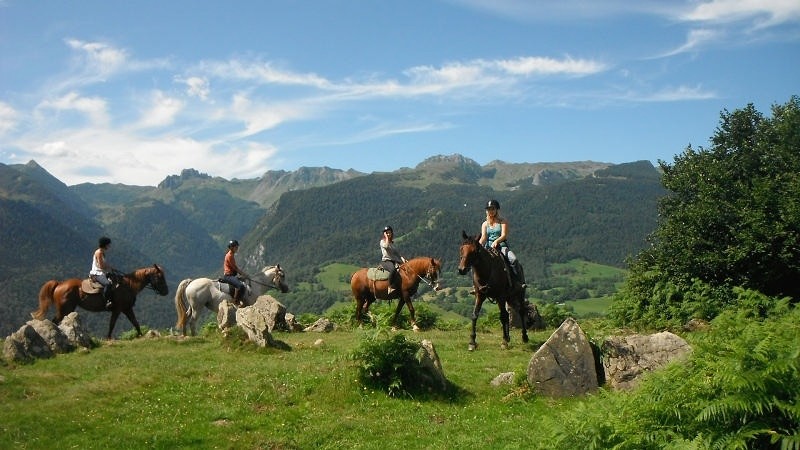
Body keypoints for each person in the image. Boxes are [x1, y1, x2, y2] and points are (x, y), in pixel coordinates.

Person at [479, 199, 527, 288]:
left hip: (501, 246)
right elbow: (484, 237)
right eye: (489, 209)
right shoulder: (485, 224)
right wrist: (478, 245)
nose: (491, 211)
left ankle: (520, 282)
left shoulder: (502, 221)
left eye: (493, 209)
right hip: (488, 247)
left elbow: (504, 235)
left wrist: (496, 241)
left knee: (514, 260)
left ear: (497, 209)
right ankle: (477, 286)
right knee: (476, 261)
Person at [89, 236, 117, 309]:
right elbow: (101, 266)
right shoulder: (99, 253)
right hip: (97, 273)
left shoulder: (101, 252)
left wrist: (111, 268)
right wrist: (109, 268)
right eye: (108, 244)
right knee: (108, 284)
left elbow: (104, 265)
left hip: (101, 272)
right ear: (105, 245)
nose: (109, 246)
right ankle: (106, 301)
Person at [380, 226, 407, 294]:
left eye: (390, 233)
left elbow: (397, 253)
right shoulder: (382, 241)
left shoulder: (392, 243)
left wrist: (402, 258)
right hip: (386, 261)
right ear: (384, 234)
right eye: (387, 233)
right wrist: (386, 238)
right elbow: (386, 246)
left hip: (394, 261)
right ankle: (390, 287)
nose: (389, 234)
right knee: (393, 269)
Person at [222, 240, 249, 306]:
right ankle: (236, 301)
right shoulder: (229, 256)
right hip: (228, 276)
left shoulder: (230, 254)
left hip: (231, 275)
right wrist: (244, 274)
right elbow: (235, 268)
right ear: (232, 248)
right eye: (236, 247)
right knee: (241, 286)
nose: (237, 248)